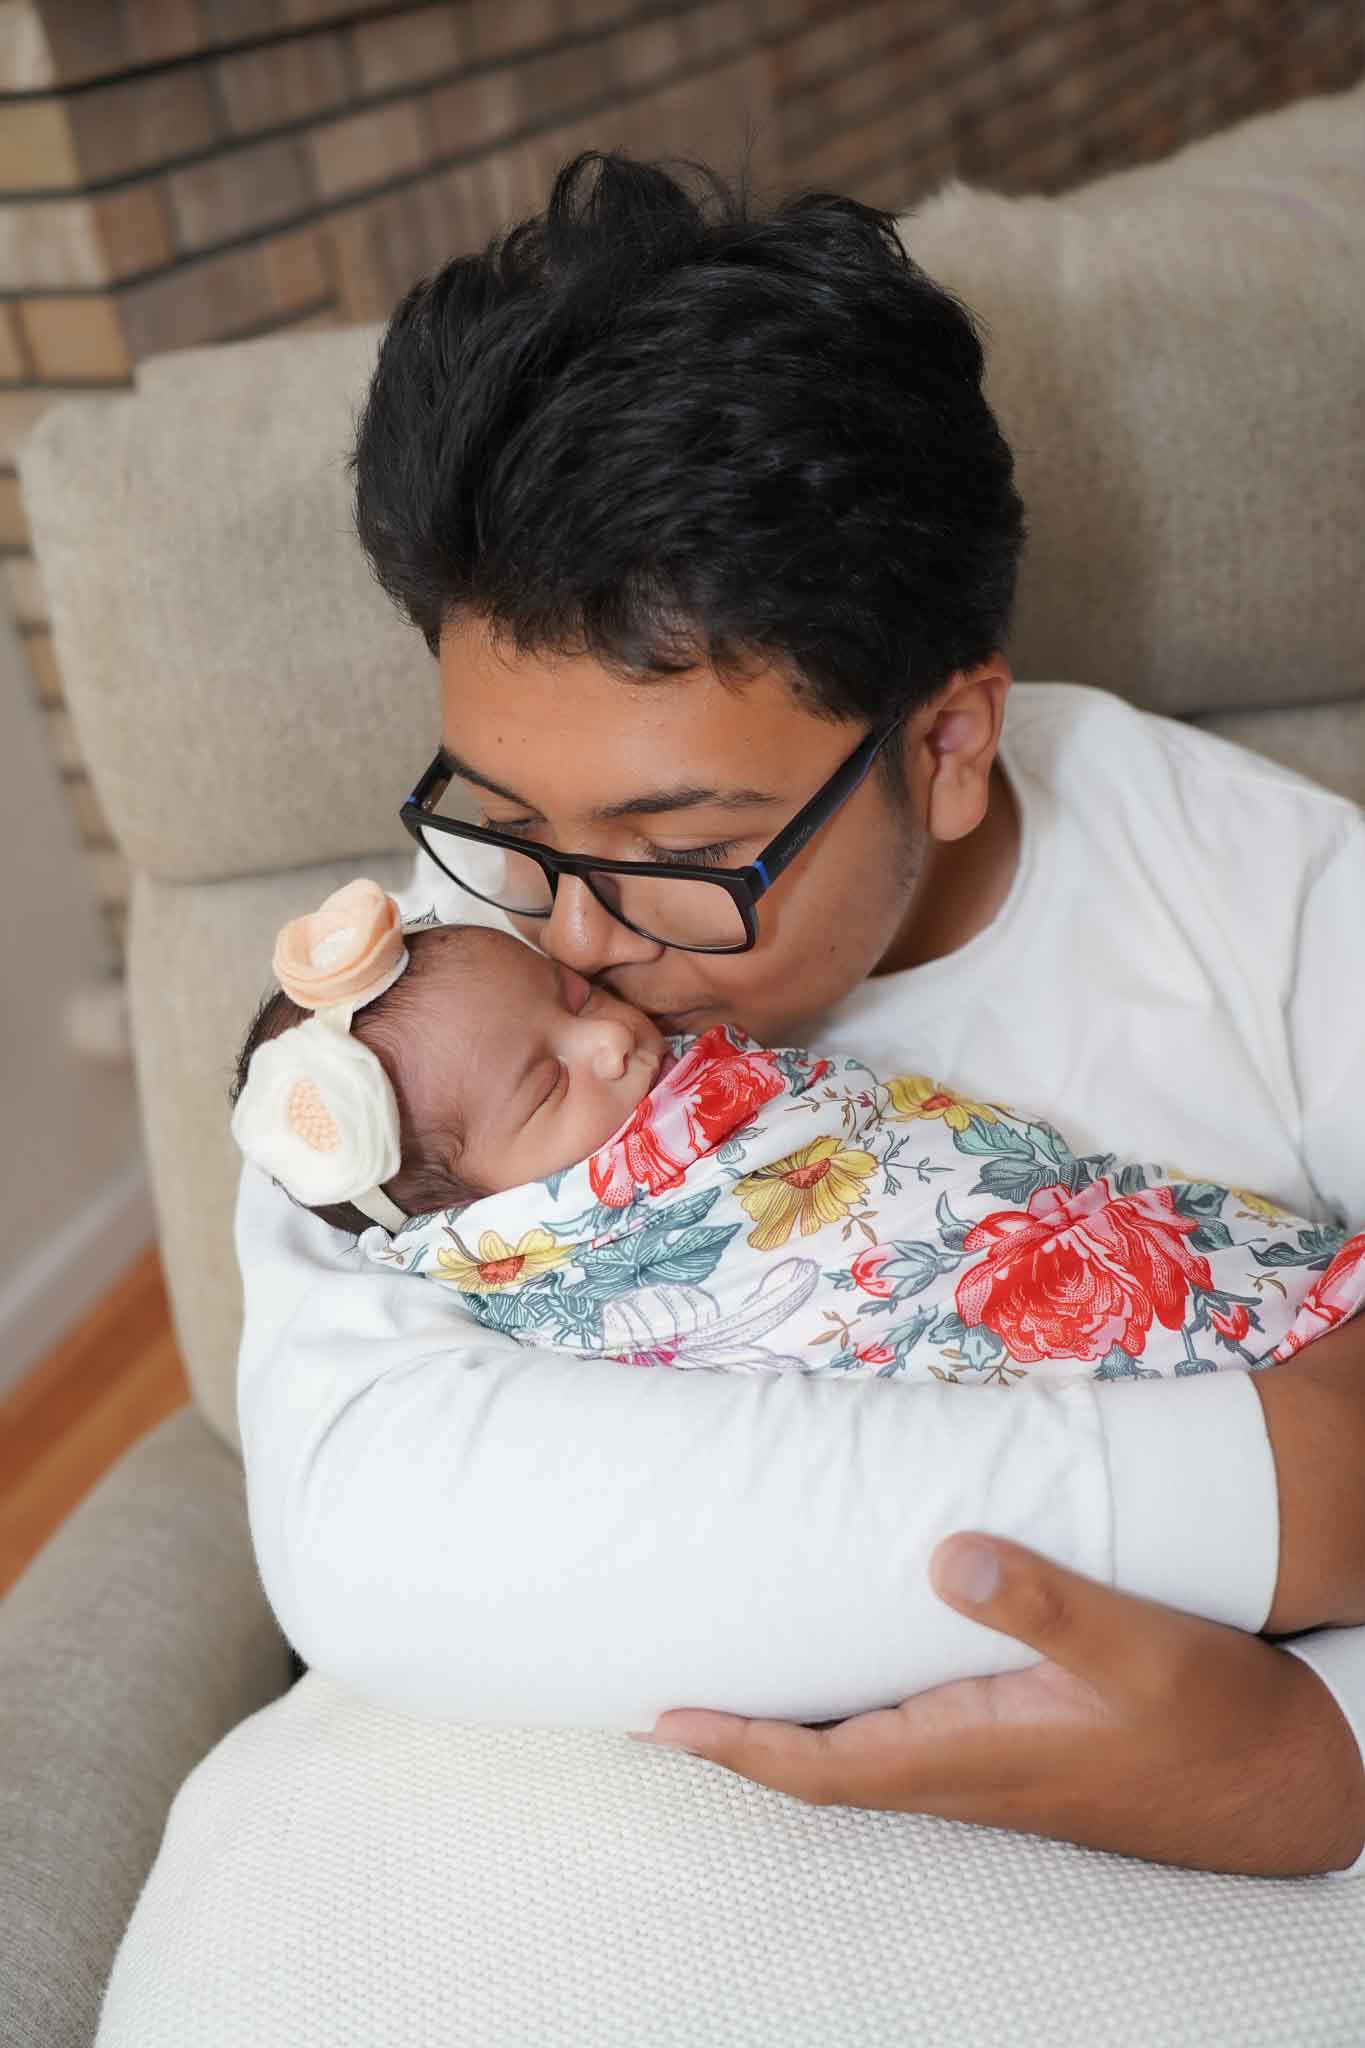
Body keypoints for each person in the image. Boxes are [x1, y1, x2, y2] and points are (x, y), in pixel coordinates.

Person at [235, 148, 1365, 1876]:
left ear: (949, 741)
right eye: (505, 816)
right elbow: (373, 1539)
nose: (577, 942)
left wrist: (1313, 1764)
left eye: (681, 849)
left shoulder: (1273, 901)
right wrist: (1308, 1490)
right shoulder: (432, 992)